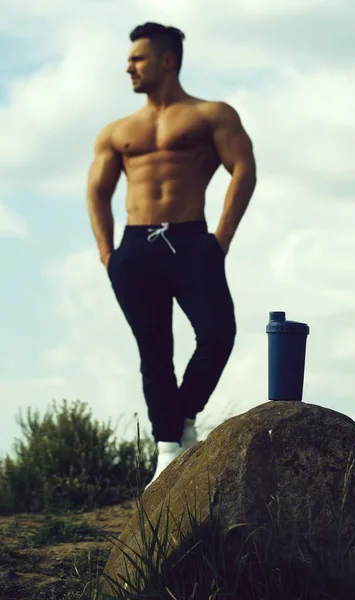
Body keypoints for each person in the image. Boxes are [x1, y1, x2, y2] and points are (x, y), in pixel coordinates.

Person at [86, 22, 257, 489]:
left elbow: (243, 167)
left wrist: (220, 239)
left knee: (218, 333)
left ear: (166, 60)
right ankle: (167, 452)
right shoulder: (118, 131)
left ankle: (183, 416)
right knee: (154, 351)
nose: (128, 67)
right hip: (136, 248)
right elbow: (97, 192)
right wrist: (109, 254)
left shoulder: (210, 114)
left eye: (137, 59)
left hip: (191, 241)